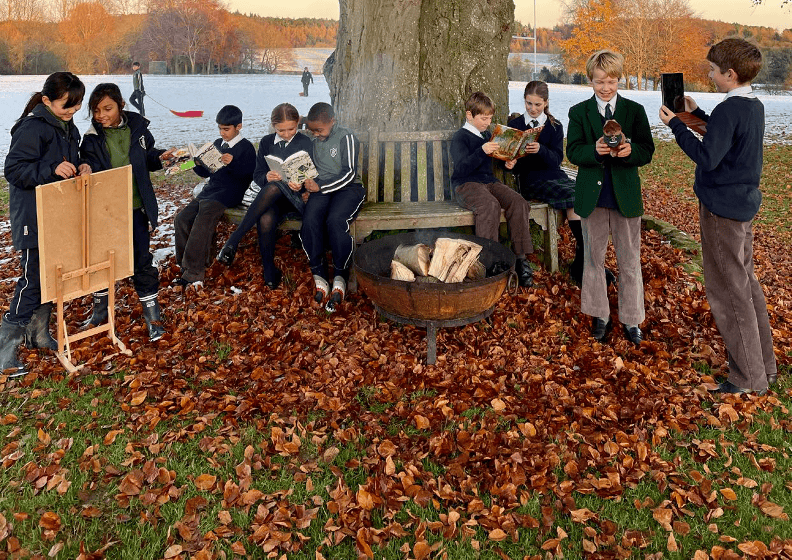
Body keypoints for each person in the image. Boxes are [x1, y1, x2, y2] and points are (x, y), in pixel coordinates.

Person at [659, 38, 776, 395]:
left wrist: (676, 126)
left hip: (721, 211)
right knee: (746, 285)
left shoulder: (731, 111)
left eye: (713, 70)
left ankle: (747, 378)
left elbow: (708, 157)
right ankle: (764, 368)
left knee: (728, 291)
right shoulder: (751, 106)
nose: (709, 75)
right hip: (742, 207)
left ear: (730, 73)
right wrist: (695, 116)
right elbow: (725, 139)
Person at [1, 72, 89, 376]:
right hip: (32, 216)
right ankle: (5, 350)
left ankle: (38, 335)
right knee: (31, 281)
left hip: (57, 213)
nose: (74, 111)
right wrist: (51, 168)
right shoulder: (32, 127)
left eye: (77, 106)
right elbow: (13, 170)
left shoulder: (65, 126)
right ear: (47, 100)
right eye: (68, 105)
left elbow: (66, 161)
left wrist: (79, 165)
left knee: (52, 276)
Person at [566, 49, 654, 345]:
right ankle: (599, 315)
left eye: (612, 81)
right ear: (590, 80)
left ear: (620, 80)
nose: (606, 88)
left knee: (629, 261)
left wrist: (631, 153)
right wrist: (594, 151)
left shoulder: (634, 111)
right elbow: (573, 151)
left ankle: (631, 320)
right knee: (593, 259)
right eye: (600, 81)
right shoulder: (579, 112)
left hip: (625, 197)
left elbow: (647, 150)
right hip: (593, 197)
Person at [79, 83, 167, 341]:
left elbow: (149, 157)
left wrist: (163, 156)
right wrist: (85, 167)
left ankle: (153, 319)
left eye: (107, 108)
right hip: (106, 210)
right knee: (100, 261)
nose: (101, 115)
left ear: (121, 106)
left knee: (142, 261)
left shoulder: (138, 129)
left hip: (137, 207)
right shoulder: (92, 137)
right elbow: (89, 163)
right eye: (96, 110)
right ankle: (100, 313)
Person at [507, 80, 615, 286]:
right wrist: (510, 163)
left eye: (538, 105)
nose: (532, 108)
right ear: (525, 101)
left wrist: (541, 150)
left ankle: (585, 263)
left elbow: (557, 159)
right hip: (532, 181)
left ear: (546, 103)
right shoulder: (515, 126)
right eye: (529, 104)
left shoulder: (554, 127)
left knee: (583, 195)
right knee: (574, 197)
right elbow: (510, 161)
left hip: (555, 176)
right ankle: (588, 265)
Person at [216, 103, 314, 289]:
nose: (286, 134)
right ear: (273, 126)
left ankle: (233, 241)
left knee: (276, 186)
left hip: (298, 200)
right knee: (266, 215)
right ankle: (269, 271)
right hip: (273, 201)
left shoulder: (306, 142)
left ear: (298, 123)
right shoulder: (267, 142)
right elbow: (258, 174)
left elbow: (315, 174)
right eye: (281, 130)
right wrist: (266, 176)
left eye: (291, 129)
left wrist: (304, 186)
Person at [450, 91, 535, 287]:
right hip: (466, 185)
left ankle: (520, 259)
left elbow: (492, 164)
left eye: (489, 118)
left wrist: (507, 164)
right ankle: (489, 262)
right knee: (490, 205)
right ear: (469, 115)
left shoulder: (488, 135)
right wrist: (481, 151)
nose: (487, 123)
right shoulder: (460, 137)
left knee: (518, 202)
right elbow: (462, 168)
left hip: (489, 183)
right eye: (483, 118)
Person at [173, 105, 256, 287]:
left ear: (238, 126)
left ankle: (194, 274)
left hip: (230, 193)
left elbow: (249, 175)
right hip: (210, 190)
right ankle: (186, 265)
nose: (222, 132)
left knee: (203, 218)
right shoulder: (217, 144)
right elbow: (206, 173)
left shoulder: (246, 148)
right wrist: (195, 163)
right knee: (181, 218)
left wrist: (233, 163)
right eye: (219, 128)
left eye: (226, 129)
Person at [300, 102, 365, 312]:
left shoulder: (346, 137)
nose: (316, 134)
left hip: (347, 189)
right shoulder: (313, 139)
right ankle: (319, 273)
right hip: (320, 189)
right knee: (310, 220)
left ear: (333, 121)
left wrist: (321, 186)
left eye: (320, 130)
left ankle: (340, 274)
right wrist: (308, 187)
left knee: (336, 221)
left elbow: (350, 173)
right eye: (313, 130)